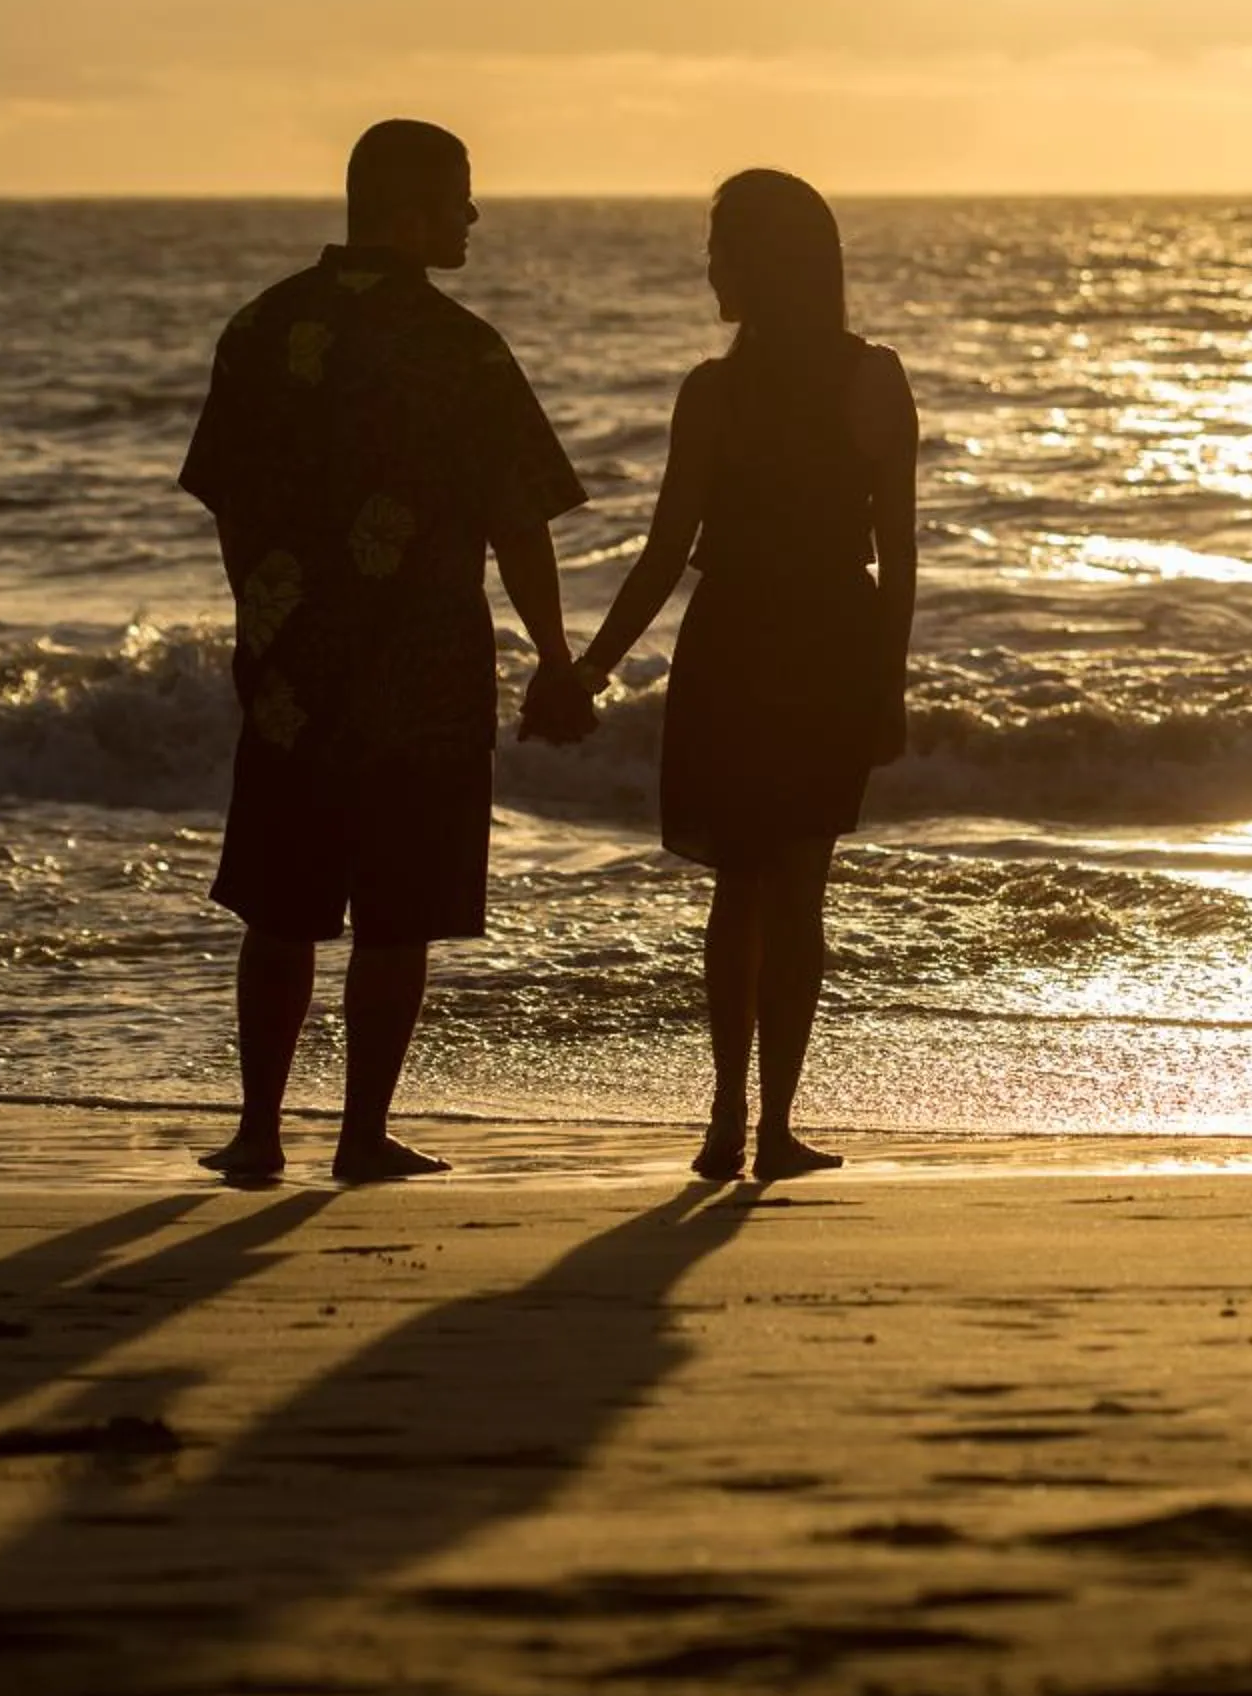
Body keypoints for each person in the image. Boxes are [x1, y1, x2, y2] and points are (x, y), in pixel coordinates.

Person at [180, 119, 597, 1185]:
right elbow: (520, 523)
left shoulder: (264, 327)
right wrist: (554, 656)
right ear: (410, 208)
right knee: (396, 912)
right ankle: (362, 1136)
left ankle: (259, 1133)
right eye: (459, 196)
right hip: (426, 663)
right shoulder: (463, 348)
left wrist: (257, 616)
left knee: (282, 902)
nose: (471, 216)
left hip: (293, 664)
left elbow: (228, 499)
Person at [571, 169, 920, 1183]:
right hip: (816, 638)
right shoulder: (858, 377)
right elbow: (892, 560)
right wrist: (883, 682)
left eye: (723, 250)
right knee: (789, 885)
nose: (710, 268)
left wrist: (594, 665)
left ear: (768, 263)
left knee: (748, 886)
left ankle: (739, 1118)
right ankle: (760, 1124)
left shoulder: (723, 390)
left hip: (746, 639)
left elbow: (668, 548)